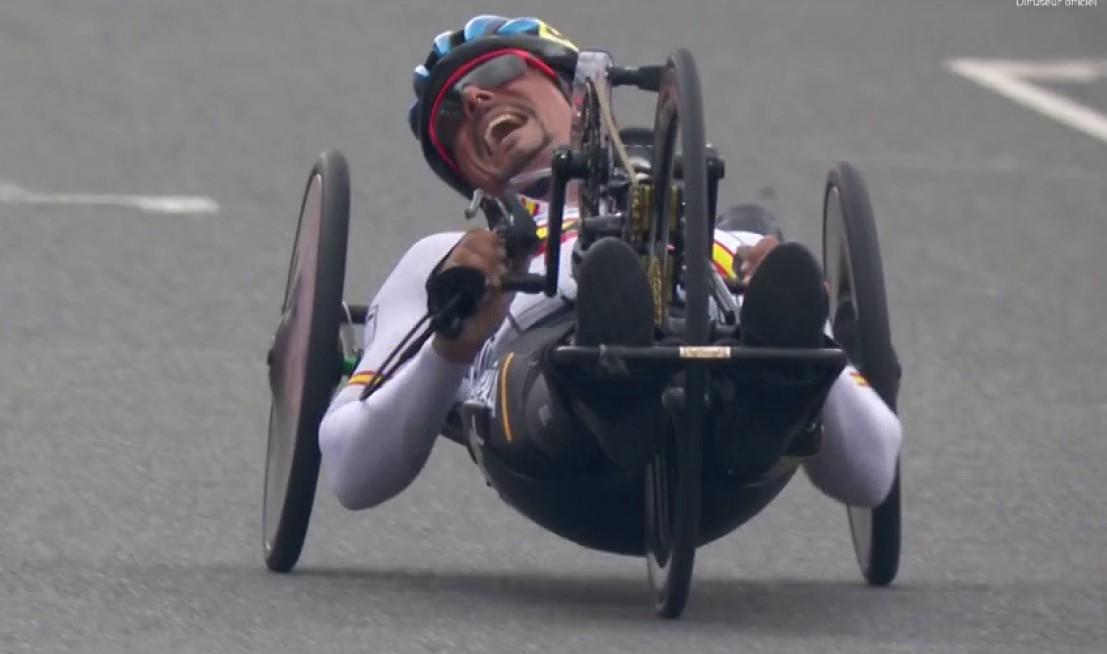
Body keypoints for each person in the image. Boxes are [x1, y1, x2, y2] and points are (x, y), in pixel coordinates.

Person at [317, 15, 902, 554]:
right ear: (466, 175)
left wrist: (811, 334)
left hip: (730, 440)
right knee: (579, 334)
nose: (474, 100)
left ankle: (770, 396)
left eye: (497, 72)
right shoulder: (445, 263)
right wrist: (451, 347)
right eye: (451, 121)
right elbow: (350, 470)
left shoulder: (741, 253)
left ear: (577, 96)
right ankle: (616, 395)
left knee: (777, 287)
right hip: (553, 431)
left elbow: (872, 473)